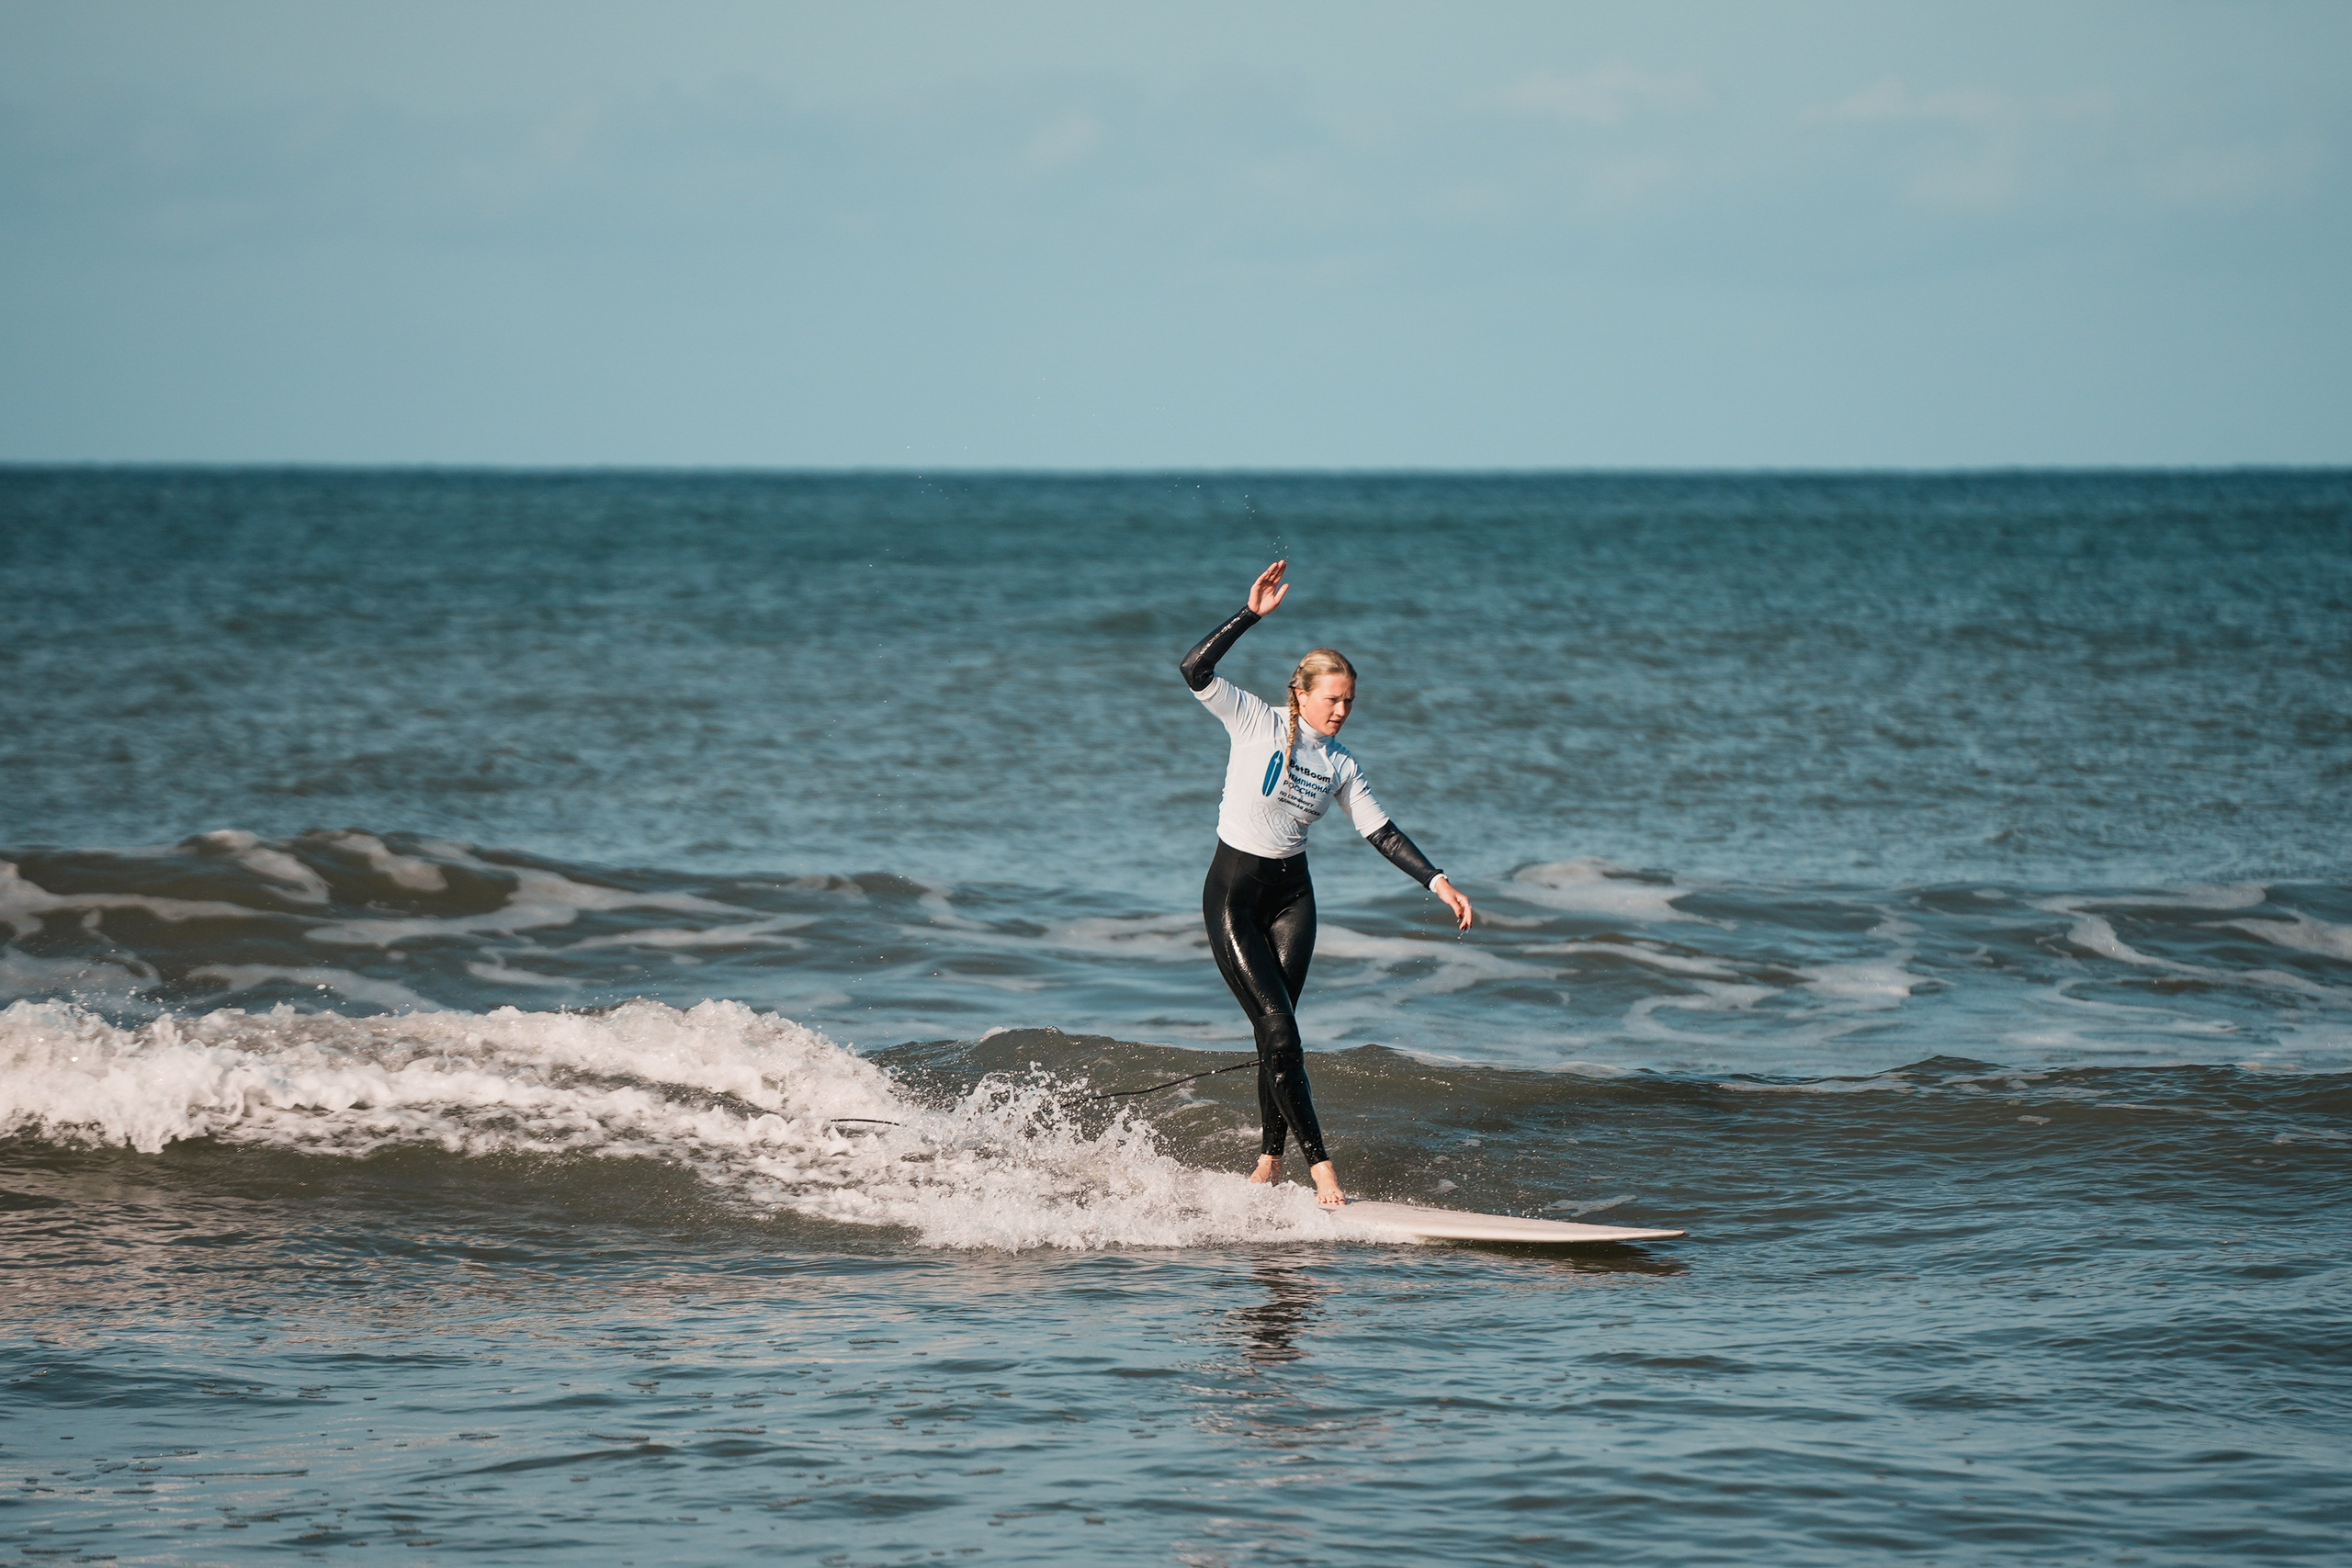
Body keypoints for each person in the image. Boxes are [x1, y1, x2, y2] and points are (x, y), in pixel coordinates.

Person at [1179, 559, 1474, 1206]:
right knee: (1281, 1032)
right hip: (1234, 895)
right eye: (1332, 699)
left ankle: (1268, 1160)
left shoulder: (1341, 763)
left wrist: (1438, 882)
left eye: (1349, 702)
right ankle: (1322, 1171)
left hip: (1293, 899)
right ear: (1302, 692)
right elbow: (1193, 669)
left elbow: (1381, 831)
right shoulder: (1253, 719)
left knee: (1278, 1034)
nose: (1342, 711)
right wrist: (1249, 615)